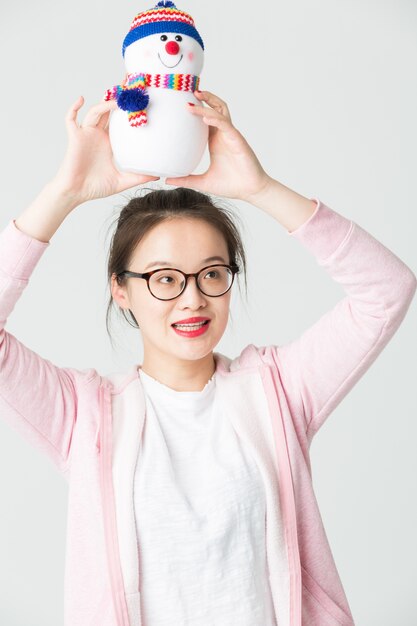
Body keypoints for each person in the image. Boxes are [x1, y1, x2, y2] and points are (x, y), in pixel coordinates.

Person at [0, 90, 415, 626]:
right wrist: (65, 192)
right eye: (164, 278)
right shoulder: (84, 414)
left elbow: (387, 290)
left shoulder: (279, 390)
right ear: (121, 290)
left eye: (212, 274)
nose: (192, 299)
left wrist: (260, 189)